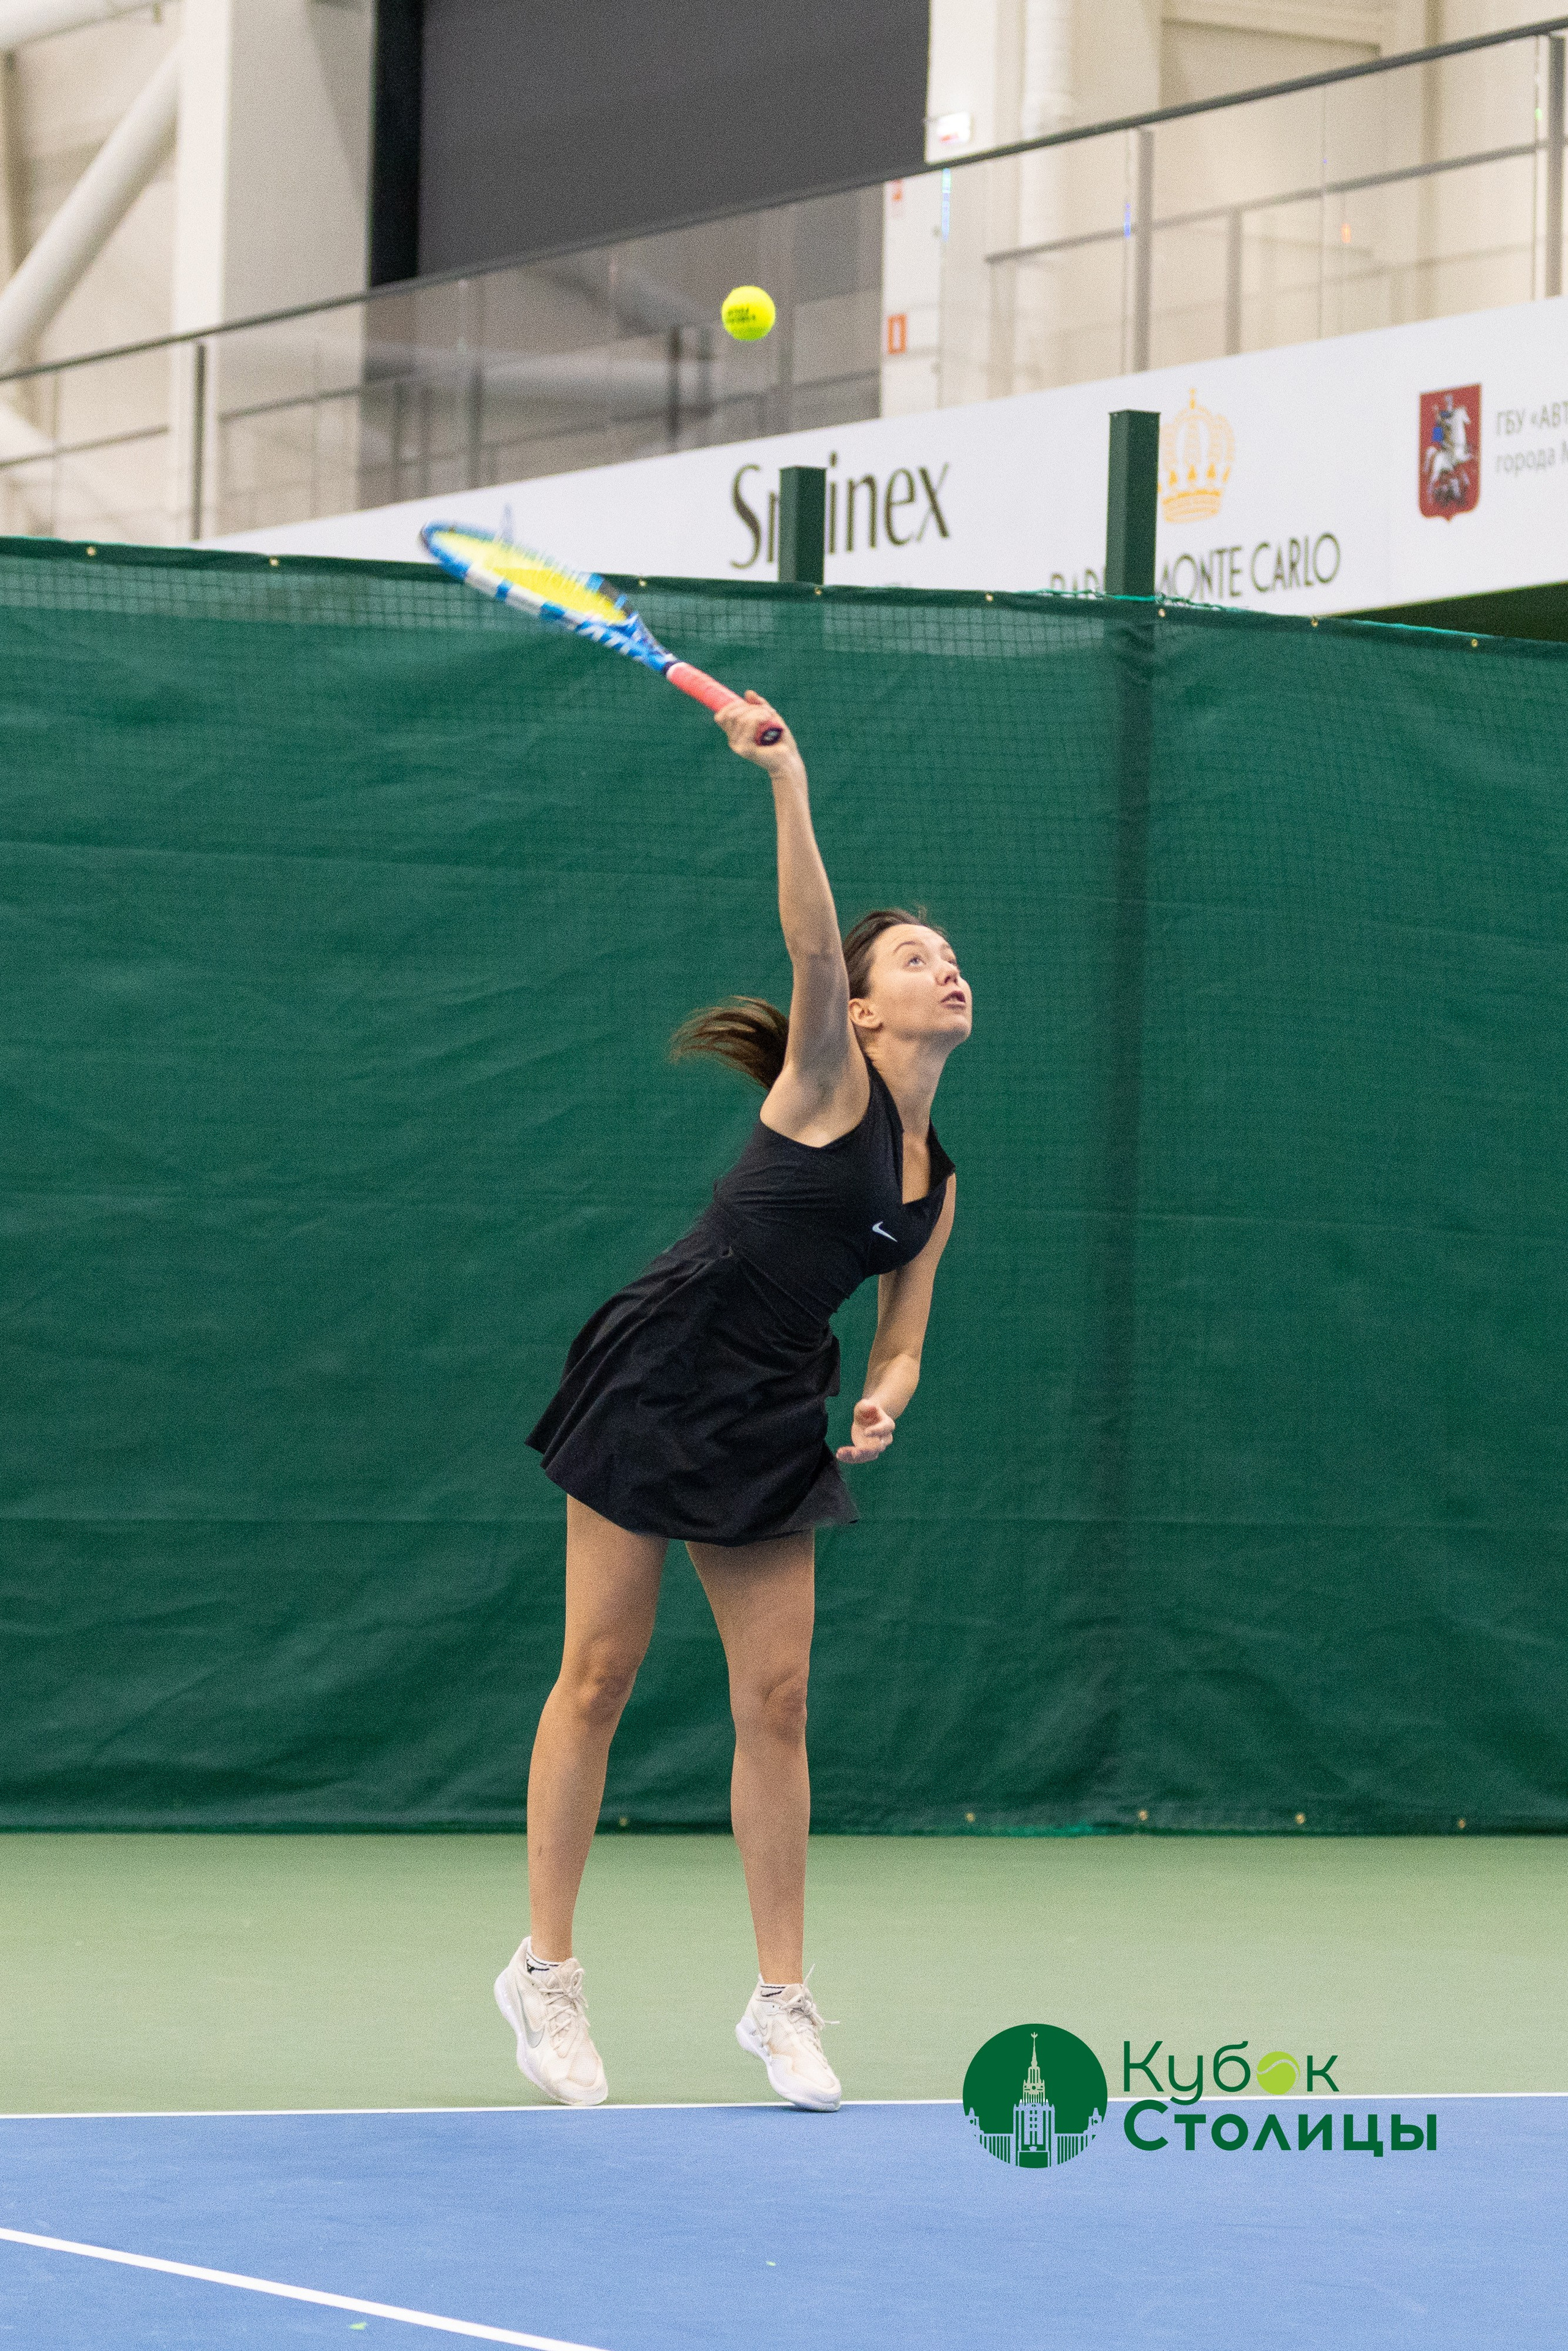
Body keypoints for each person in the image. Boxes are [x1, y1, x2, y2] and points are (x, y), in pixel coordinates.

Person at [494, 690, 971, 2111]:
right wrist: (784, 778)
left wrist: (883, 1400)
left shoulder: (938, 1184)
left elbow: (900, 1335)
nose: (944, 969)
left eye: (949, 955)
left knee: (776, 1696)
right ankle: (545, 1973)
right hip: (660, 1366)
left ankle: (780, 2002)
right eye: (915, 958)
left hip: (770, 1402)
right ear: (864, 1009)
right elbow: (811, 941)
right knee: (599, 1672)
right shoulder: (825, 1078)